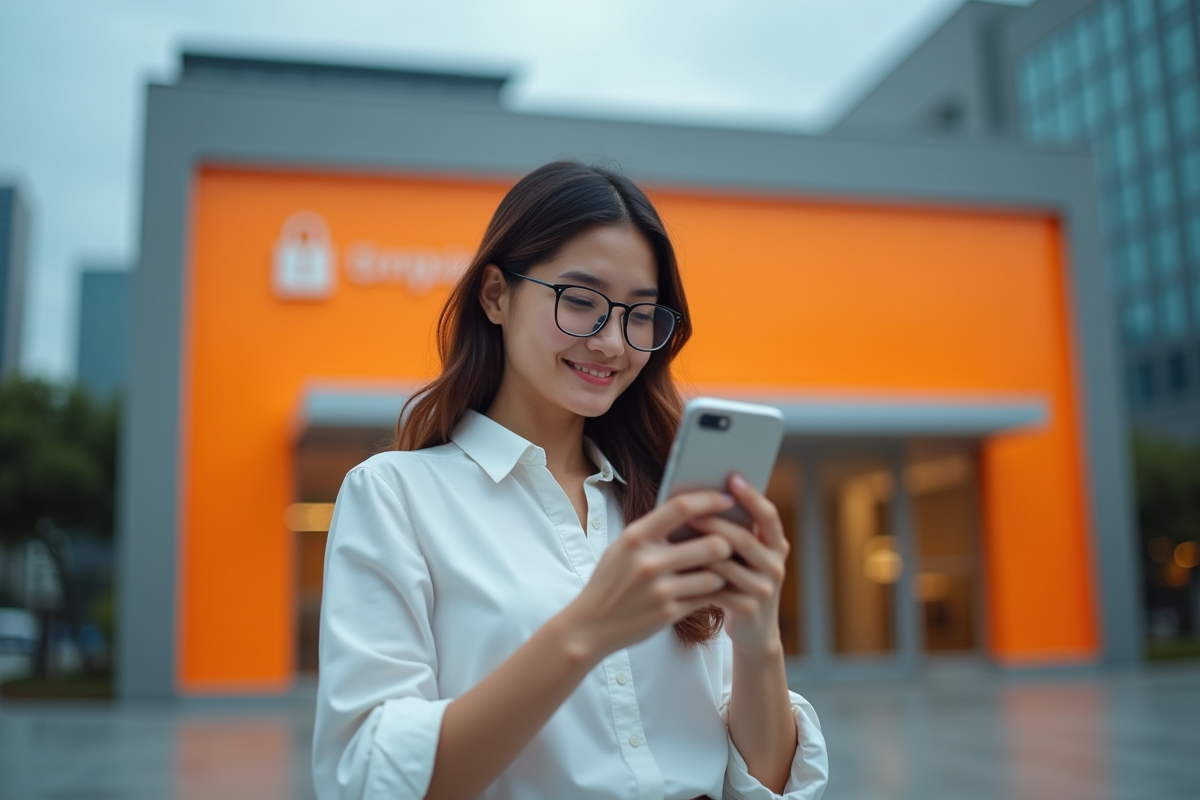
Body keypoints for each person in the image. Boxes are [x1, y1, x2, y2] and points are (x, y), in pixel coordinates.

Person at [312, 161, 828, 800]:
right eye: (581, 301)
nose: (613, 342)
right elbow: (368, 777)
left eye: (641, 315)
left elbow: (765, 782)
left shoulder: (661, 506)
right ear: (496, 294)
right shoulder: (395, 495)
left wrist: (758, 636)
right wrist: (588, 629)